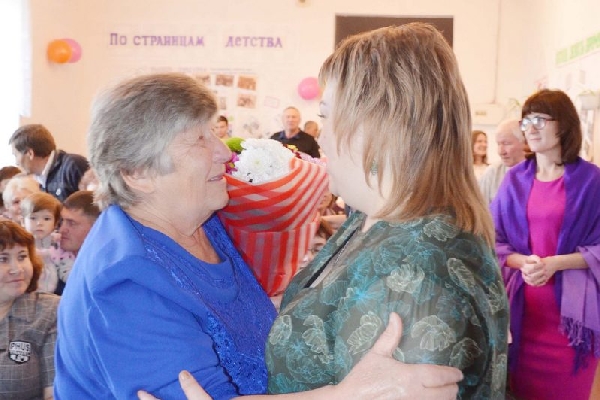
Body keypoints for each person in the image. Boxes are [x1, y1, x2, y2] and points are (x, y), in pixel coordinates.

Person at [141, 23, 509, 400]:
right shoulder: (369, 219)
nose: (322, 138)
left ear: (377, 126)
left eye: (327, 116)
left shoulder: (418, 273)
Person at [54, 73, 462, 400]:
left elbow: (238, 316)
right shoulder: (125, 282)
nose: (224, 152)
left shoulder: (202, 221)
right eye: (200, 139)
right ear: (137, 173)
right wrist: (350, 395)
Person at [491, 89, 600, 399]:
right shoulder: (514, 180)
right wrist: (523, 262)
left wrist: (555, 263)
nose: (531, 128)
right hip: (524, 315)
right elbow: (494, 240)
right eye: (526, 122)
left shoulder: (591, 181)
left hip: (573, 321)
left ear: (563, 124)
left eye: (539, 120)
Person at [0, 219, 59, 400]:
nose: (17, 269)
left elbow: (54, 394)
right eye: (3, 259)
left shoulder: (49, 311)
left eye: (22, 256)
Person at [9, 124, 89, 202]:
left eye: (16, 155)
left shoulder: (73, 166)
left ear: (30, 154)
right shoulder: (38, 181)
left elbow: (91, 204)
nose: (16, 162)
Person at [20, 192, 62, 294]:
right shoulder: (21, 245)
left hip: (56, 294)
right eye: (33, 218)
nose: (39, 223)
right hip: (27, 294)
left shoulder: (60, 244)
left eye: (46, 219)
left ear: (55, 223)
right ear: (22, 221)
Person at [478, 119, 527, 203]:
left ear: (525, 142)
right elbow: (479, 208)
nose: (501, 152)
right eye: (498, 144)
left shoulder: (540, 173)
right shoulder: (493, 173)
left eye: (506, 143)